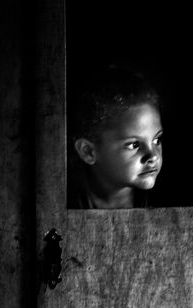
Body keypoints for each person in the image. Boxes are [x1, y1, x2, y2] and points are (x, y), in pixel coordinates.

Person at [67, 65, 163, 209]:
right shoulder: (62, 202)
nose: (153, 156)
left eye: (157, 140)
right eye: (134, 145)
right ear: (88, 151)